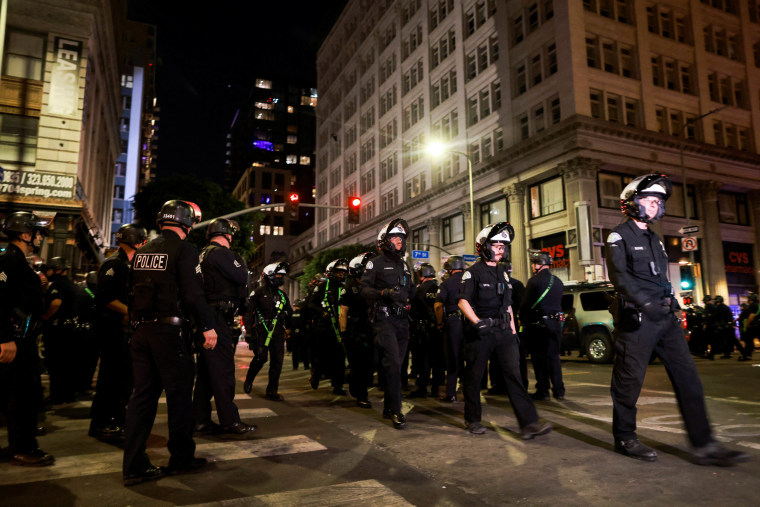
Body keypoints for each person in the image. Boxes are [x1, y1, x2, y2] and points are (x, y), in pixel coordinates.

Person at [606, 173, 748, 465]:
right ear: (631, 203)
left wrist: (673, 304)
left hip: (665, 318)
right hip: (638, 319)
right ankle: (625, 438)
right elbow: (619, 277)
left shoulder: (655, 239)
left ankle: (704, 444)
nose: (655, 206)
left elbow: (661, 277)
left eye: (658, 202)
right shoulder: (619, 235)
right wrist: (646, 303)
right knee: (628, 382)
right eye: (649, 200)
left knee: (689, 379)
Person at [123, 200, 217, 486]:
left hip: (141, 332)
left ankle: (134, 464)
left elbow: (131, 292)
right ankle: (181, 458)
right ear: (187, 224)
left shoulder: (143, 251)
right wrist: (208, 327)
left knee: (142, 399)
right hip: (169, 333)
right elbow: (193, 293)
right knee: (179, 399)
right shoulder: (184, 249)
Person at [457, 222, 552, 438]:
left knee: (514, 375)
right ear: (483, 246)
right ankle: (472, 419)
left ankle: (529, 424)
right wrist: (477, 322)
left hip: (503, 332)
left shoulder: (504, 273)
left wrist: (512, 331)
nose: (500, 249)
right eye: (496, 245)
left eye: (503, 245)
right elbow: (463, 301)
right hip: (480, 332)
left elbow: (507, 304)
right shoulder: (472, 273)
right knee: (474, 377)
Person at [0, 211, 55, 466]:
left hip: (22, 339)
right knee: (21, 397)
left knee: (22, 395)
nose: (40, 236)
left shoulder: (18, 261)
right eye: (36, 231)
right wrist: (5, 338)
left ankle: (19, 444)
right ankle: (22, 447)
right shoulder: (9, 261)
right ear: (25, 234)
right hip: (15, 341)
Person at [194, 218, 255, 434]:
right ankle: (230, 421)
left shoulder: (203, 253)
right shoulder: (220, 253)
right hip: (217, 318)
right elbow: (241, 275)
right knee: (223, 371)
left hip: (207, 317)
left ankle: (199, 419)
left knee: (206, 373)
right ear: (227, 234)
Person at [89, 224, 146, 441]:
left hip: (122, 330)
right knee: (111, 378)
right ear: (136, 241)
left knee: (121, 379)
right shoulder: (115, 264)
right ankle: (105, 423)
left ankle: (112, 419)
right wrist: (130, 312)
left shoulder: (130, 264)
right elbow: (105, 297)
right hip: (112, 330)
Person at [360, 219, 414, 429]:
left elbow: (411, 292)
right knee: (393, 364)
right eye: (395, 238)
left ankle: (388, 407)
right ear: (385, 241)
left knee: (397, 366)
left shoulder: (404, 265)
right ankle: (396, 410)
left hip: (402, 321)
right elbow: (364, 290)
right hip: (384, 320)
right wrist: (383, 293)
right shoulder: (376, 263)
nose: (399, 242)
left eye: (401, 238)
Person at [243, 261, 292, 401]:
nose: (281, 278)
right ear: (269, 276)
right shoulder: (258, 292)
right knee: (260, 358)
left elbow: (289, 311)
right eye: (278, 275)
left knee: (277, 362)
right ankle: (249, 379)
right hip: (261, 332)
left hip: (277, 332)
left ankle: (272, 391)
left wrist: (286, 317)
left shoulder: (282, 295)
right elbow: (248, 313)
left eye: (282, 276)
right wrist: (249, 333)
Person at [521, 250, 565, 401]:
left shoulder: (534, 281)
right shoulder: (558, 281)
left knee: (539, 358)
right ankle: (559, 390)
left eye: (534, 263)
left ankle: (543, 390)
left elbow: (526, 304)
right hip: (555, 324)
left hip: (539, 325)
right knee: (554, 357)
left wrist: (523, 319)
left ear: (538, 264)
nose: (533, 266)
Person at [339, 252, 375, 408]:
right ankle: (361, 395)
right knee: (358, 364)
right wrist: (344, 333)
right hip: (354, 331)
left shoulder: (371, 286)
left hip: (370, 328)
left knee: (370, 363)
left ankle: (356, 385)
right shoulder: (349, 287)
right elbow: (343, 311)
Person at [41, 256, 78, 405]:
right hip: (69, 329)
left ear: (58, 270)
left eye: (50, 269)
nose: (48, 272)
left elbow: (56, 303)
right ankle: (68, 394)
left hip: (58, 331)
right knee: (67, 365)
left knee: (55, 365)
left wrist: (45, 317)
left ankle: (56, 395)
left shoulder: (58, 285)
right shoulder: (71, 284)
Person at [309, 258, 348, 395]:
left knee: (340, 358)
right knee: (321, 356)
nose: (341, 275)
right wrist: (323, 313)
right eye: (338, 272)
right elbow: (311, 304)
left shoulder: (344, 289)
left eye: (343, 272)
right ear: (331, 272)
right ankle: (315, 375)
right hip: (324, 328)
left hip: (339, 329)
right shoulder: (321, 288)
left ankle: (338, 385)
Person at [409, 262, 443, 398]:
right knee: (437, 359)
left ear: (421, 274)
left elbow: (412, 310)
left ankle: (422, 388)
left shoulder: (419, 290)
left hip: (422, 329)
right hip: (437, 327)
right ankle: (435, 388)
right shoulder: (438, 288)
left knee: (423, 359)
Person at [434, 256, 466, 402]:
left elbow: (438, 305)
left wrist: (440, 323)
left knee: (452, 357)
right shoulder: (470, 281)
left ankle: (451, 393)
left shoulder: (447, 284)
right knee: (470, 358)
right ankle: (471, 391)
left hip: (453, 322)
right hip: (470, 321)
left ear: (450, 268)